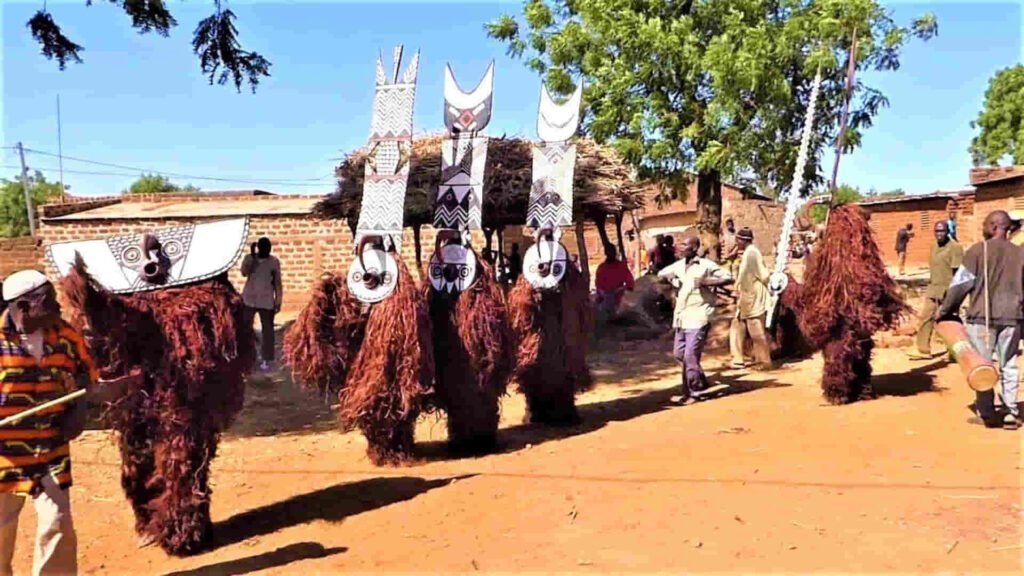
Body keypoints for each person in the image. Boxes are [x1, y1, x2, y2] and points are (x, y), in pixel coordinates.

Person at [0, 270, 133, 575]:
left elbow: (87, 375)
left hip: (51, 446)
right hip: (4, 452)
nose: (58, 306)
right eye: (48, 300)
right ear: (22, 308)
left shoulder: (64, 334)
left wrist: (78, 410)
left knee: (56, 521)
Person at [937, 210, 1021, 430]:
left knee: (982, 364)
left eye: (985, 224)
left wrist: (946, 310)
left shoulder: (977, 251)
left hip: (981, 319)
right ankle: (1011, 411)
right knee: (1009, 363)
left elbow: (960, 285)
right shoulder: (1020, 254)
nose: (983, 228)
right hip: (1013, 317)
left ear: (994, 226)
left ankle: (987, 412)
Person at [657, 235, 733, 404]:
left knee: (690, 355)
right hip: (682, 317)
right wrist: (672, 280)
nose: (680, 246)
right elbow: (661, 274)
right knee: (679, 354)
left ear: (694, 248)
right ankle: (698, 380)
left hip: (699, 316)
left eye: (684, 244)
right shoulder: (678, 266)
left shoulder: (705, 265)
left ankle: (694, 392)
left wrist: (707, 281)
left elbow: (728, 277)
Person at [909, 221, 963, 360]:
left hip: (948, 290)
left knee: (950, 321)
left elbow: (957, 273)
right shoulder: (933, 246)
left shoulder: (955, 248)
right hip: (933, 288)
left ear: (947, 232)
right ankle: (923, 350)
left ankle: (953, 352)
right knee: (926, 317)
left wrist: (954, 294)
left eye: (942, 231)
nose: (939, 234)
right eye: (937, 231)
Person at [729, 228, 773, 370]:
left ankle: (764, 361)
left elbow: (764, 275)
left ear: (743, 240)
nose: (736, 242)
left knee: (756, 330)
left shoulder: (752, 254)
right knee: (737, 326)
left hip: (753, 296)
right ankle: (737, 358)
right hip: (746, 296)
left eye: (738, 240)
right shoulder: (747, 254)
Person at [241, 236, 283, 371]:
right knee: (246, 329)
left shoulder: (273, 262)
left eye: (268, 248)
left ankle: (267, 359)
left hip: (266, 301)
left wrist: (278, 300)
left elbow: (277, 283)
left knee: (268, 331)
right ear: (259, 248)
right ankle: (247, 357)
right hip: (249, 299)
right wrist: (253, 256)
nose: (266, 250)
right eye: (264, 248)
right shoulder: (249, 259)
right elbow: (244, 272)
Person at [594, 246, 635, 316]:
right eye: (609, 253)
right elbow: (598, 285)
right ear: (606, 253)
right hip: (605, 298)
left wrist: (622, 289)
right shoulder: (602, 268)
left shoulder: (621, 266)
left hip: (619, 298)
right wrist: (603, 294)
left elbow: (630, 282)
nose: (611, 254)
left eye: (612, 252)